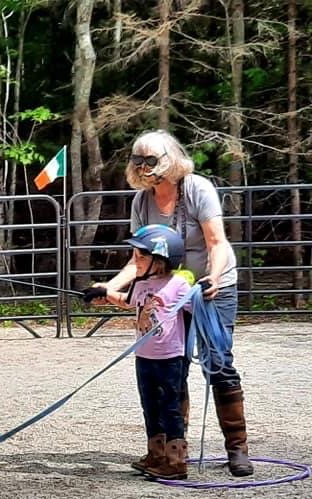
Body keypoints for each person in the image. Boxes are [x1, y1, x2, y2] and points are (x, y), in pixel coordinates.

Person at [96, 129, 253, 477]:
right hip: (168, 293)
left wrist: (212, 276)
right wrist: (109, 286)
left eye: (150, 160)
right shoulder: (142, 202)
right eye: (137, 160)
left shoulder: (196, 189)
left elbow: (217, 242)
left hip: (211, 287)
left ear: (170, 160)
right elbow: (139, 260)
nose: (143, 167)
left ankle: (237, 448)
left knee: (219, 362)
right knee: (172, 366)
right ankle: (170, 454)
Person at [84, 225, 192, 479]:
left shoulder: (177, 285)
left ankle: (176, 461)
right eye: (135, 255)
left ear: (162, 259)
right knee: (150, 406)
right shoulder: (141, 284)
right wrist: (104, 292)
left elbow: (196, 308)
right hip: (144, 356)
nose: (136, 261)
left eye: (142, 256)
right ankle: (156, 454)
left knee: (170, 407)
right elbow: (127, 302)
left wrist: (208, 291)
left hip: (170, 358)